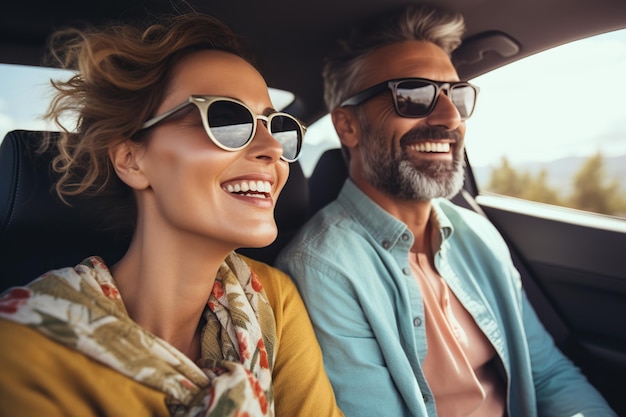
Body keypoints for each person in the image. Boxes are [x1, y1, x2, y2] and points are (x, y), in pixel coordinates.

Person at [276, 5, 616, 417]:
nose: (450, 117)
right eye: (413, 95)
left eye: (456, 94)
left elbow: (546, 375)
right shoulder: (322, 269)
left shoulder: (478, 234)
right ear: (347, 126)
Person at [0, 13, 342, 417]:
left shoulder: (273, 300)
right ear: (132, 160)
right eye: (226, 119)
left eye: (277, 126)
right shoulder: (22, 351)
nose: (272, 148)